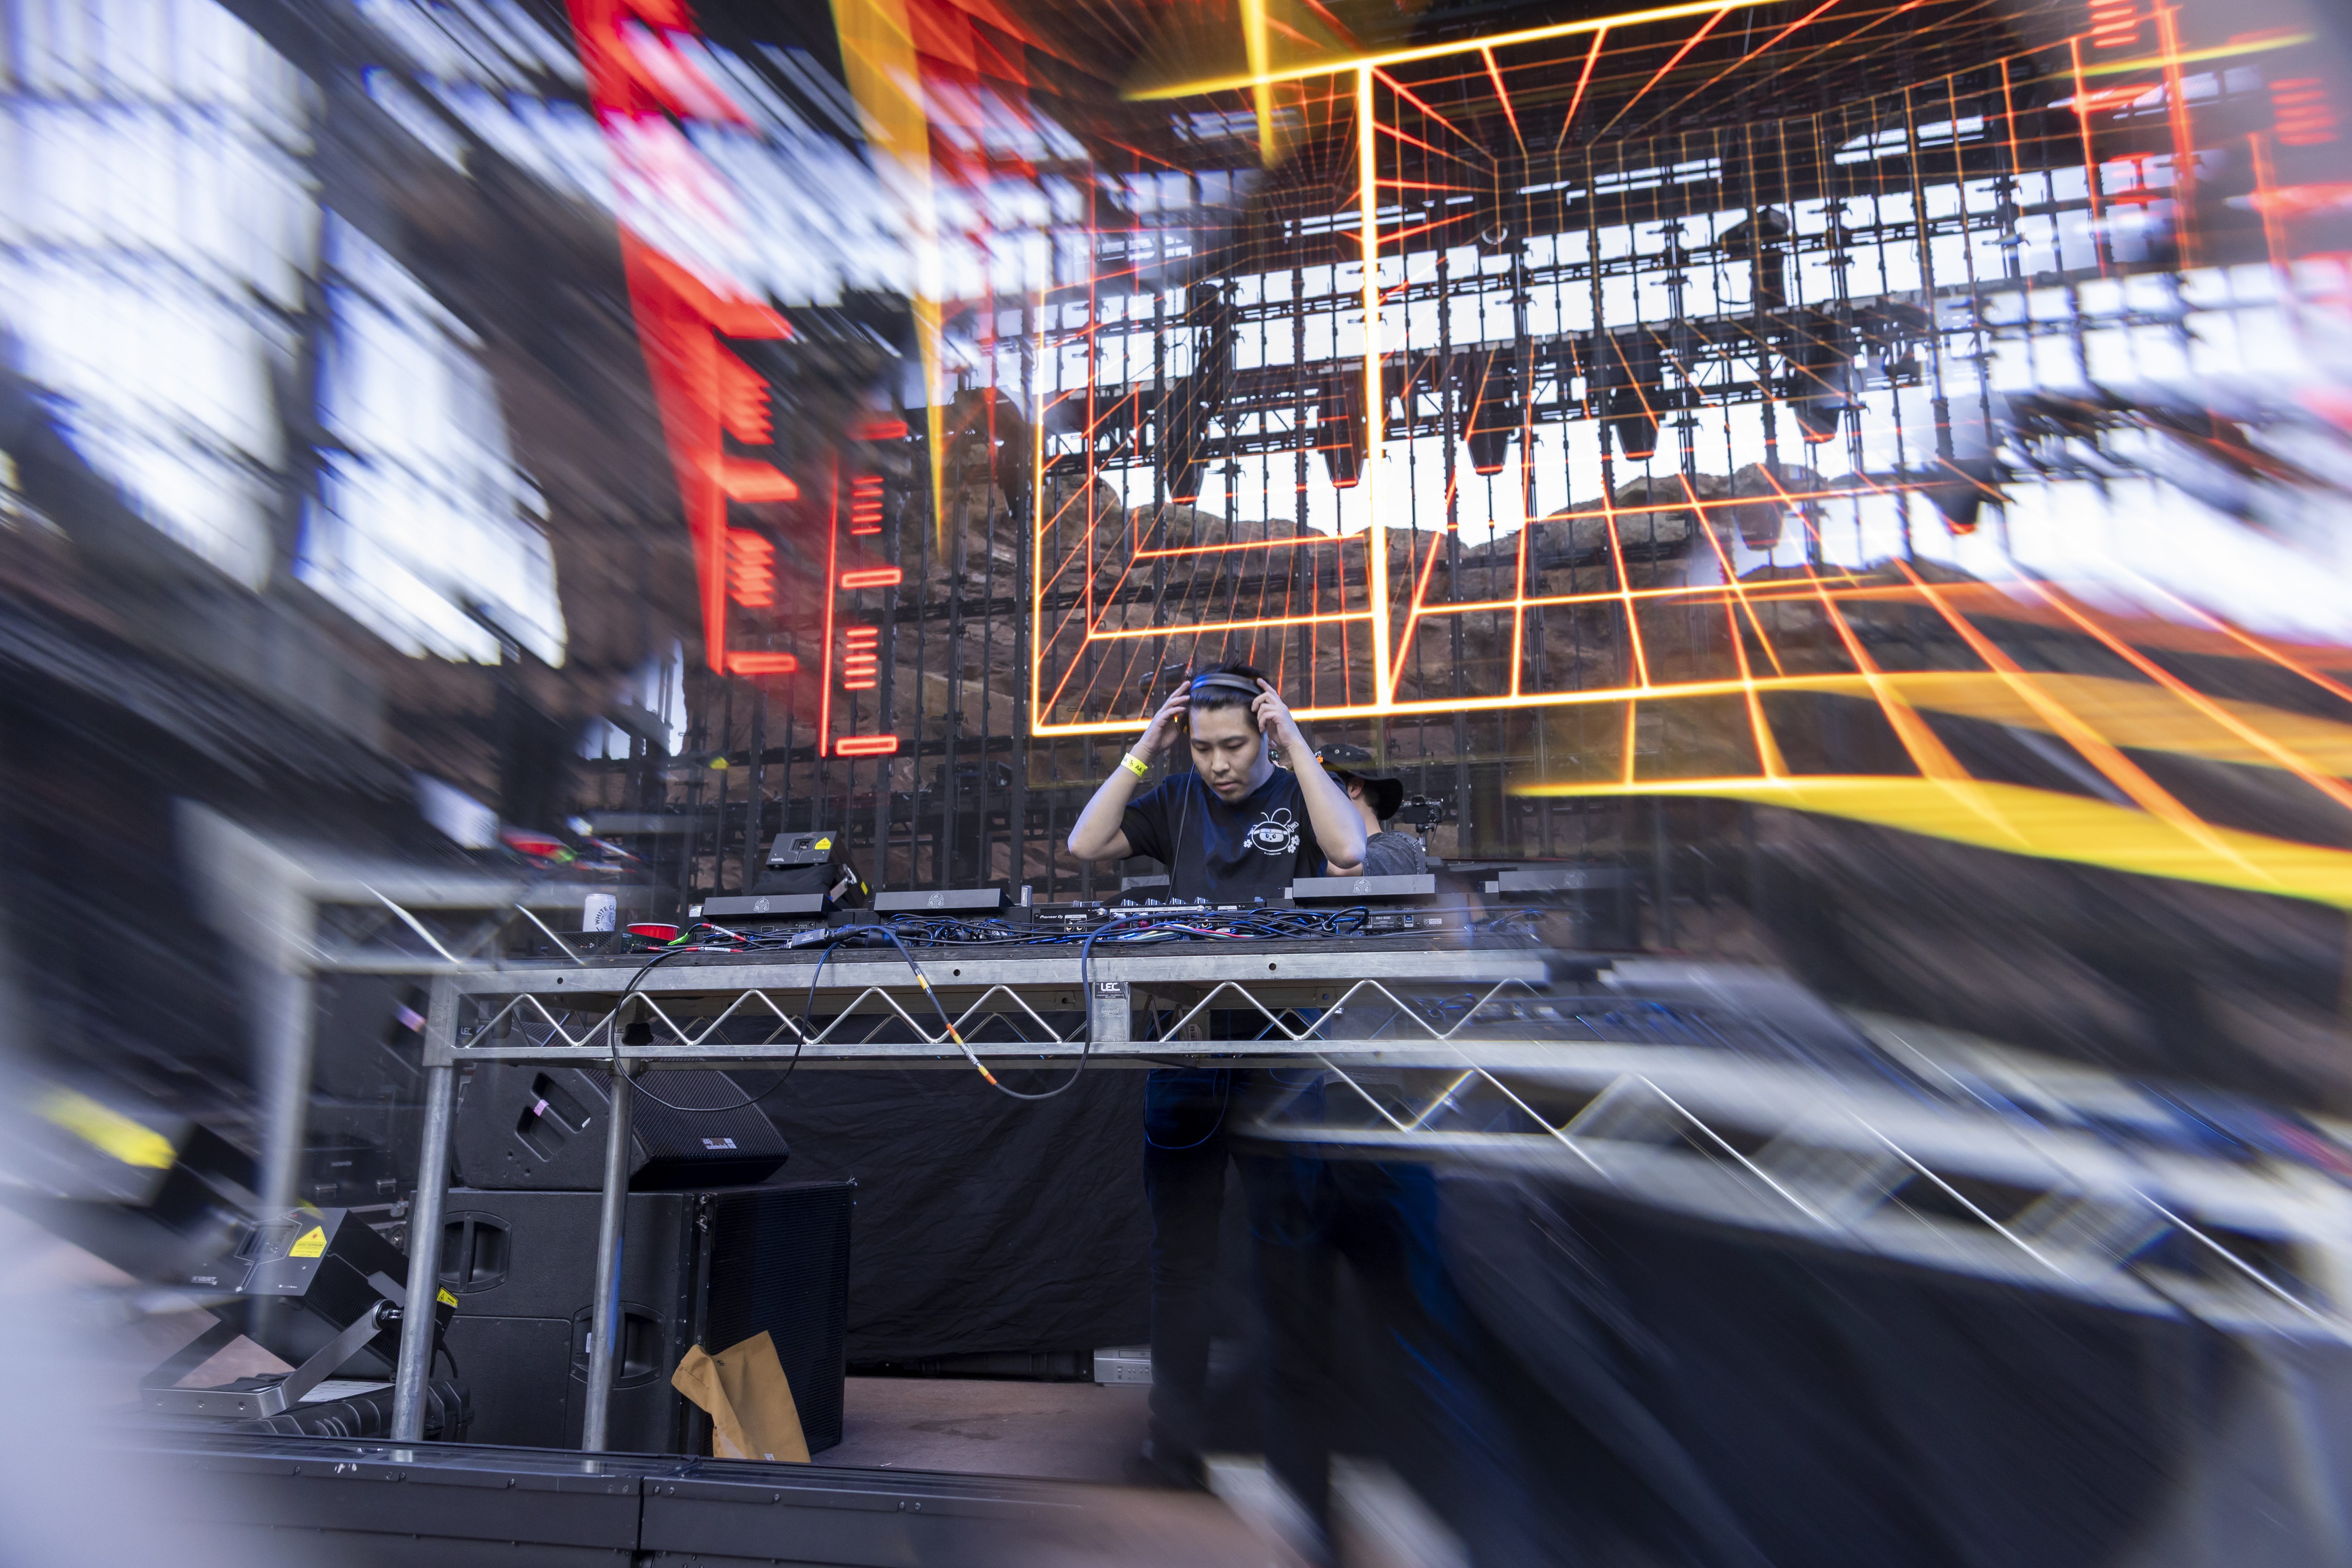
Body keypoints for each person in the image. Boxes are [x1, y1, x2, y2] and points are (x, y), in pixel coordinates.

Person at [1065, 664, 1363, 1527]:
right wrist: (1145, 750)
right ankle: (1175, 1448)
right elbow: (1087, 845)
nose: (1220, 763)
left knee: (1289, 1255)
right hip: (1190, 1050)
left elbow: (1347, 853)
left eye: (1234, 744)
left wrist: (1296, 743)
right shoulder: (1174, 798)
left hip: (1284, 1048)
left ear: (1262, 732)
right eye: (1203, 746)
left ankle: (1301, 1467)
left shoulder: (1297, 788)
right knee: (1179, 1261)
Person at [1311, 743, 1427, 878]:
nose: (1308, 794)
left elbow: (1344, 868)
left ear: (1354, 787)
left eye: (1319, 784)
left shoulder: (1400, 848)